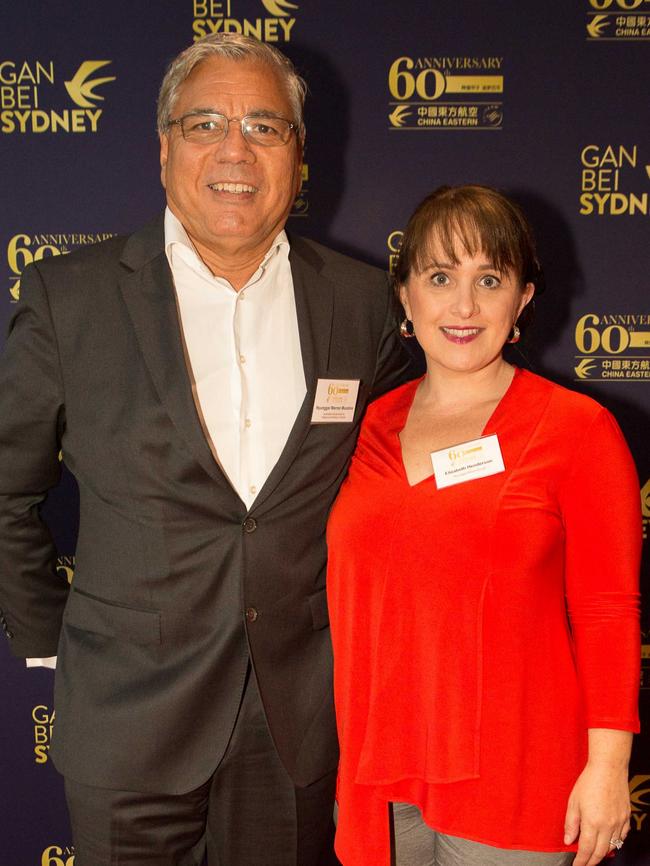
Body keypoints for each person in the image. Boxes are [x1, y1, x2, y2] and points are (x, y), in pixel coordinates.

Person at [0, 34, 411, 866]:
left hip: (296, 721)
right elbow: (6, 489)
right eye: (204, 125)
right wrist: (53, 634)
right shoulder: (69, 300)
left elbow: (407, 471)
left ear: (299, 156)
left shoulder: (365, 302)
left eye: (265, 126)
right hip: (125, 718)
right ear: (162, 150)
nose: (235, 149)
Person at [326, 185, 641, 866]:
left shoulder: (577, 430)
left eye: (488, 279)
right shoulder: (368, 424)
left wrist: (609, 768)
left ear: (522, 298)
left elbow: (607, 611)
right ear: (407, 296)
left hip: (518, 778)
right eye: (440, 277)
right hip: (378, 776)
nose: (463, 306)